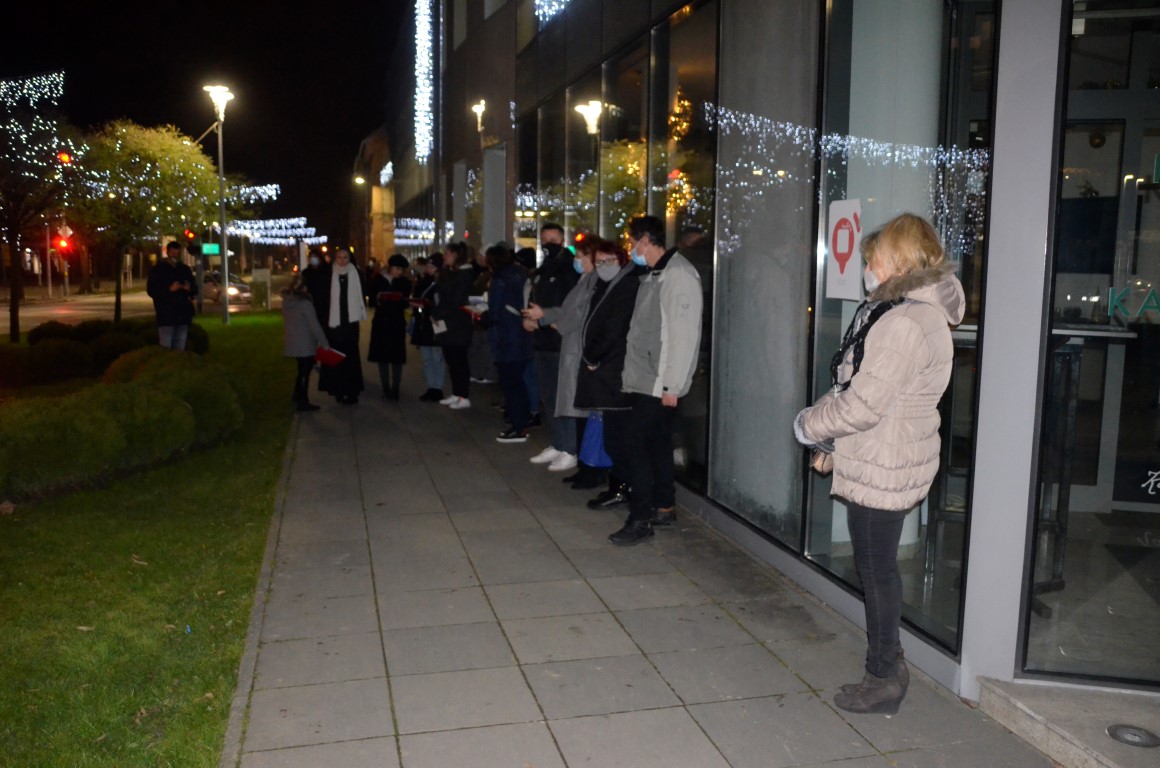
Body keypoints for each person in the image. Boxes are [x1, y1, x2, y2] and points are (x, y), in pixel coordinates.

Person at [794, 213, 965, 715]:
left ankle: (883, 676)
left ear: (899, 262)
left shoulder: (905, 322)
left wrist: (808, 426)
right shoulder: (910, 313)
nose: (867, 268)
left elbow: (863, 405)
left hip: (882, 461)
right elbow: (857, 384)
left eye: (874, 259)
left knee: (876, 572)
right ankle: (891, 660)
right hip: (886, 455)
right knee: (878, 568)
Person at [609, 215, 703, 546]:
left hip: (658, 381)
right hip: (647, 378)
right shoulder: (656, 274)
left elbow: (682, 336)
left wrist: (672, 386)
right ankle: (664, 506)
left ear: (646, 241)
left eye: (631, 241)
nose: (630, 248)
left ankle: (641, 517)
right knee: (657, 443)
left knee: (634, 444)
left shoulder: (678, 275)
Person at [574, 239, 642, 509]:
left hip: (614, 372)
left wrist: (592, 356)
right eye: (599, 262)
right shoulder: (605, 286)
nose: (603, 266)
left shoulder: (625, 286)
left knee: (618, 437)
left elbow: (614, 329)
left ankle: (623, 487)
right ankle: (618, 485)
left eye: (609, 261)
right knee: (613, 436)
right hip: (606, 370)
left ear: (621, 260)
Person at [524, 236, 597, 475]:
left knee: (566, 400)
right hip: (561, 345)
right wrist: (543, 314)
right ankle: (559, 444)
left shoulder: (591, 281)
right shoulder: (583, 279)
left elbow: (576, 317)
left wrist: (544, 321)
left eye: (581, 256)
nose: (578, 260)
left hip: (572, 348)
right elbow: (566, 310)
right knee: (552, 397)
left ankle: (569, 448)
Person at [484, 244, 534, 442]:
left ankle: (518, 426)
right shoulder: (520, 274)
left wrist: (483, 317)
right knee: (519, 382)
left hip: (506, 337)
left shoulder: (499, 279)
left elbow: (495, 311)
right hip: (521, 335)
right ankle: (522, 421)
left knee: (510, 383)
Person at [318, 248, 367, 404]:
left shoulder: (356, 273)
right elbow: (322, 299)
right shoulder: (328, 274)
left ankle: (352, 392)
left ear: (350, 258)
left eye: (345, 257)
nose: (342, 260)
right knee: (336, 357)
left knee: (351, 358)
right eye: (339, 257)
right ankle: (337, 390)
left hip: (350, 323)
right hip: (334, 323)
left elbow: (363, 292)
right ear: (335, 258)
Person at [432, 242, 476, 409]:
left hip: (457, 323)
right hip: (447, 322)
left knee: (459, 360)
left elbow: (456, 300)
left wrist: (439, 313)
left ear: (455, 255)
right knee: (451, 359)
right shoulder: (450, 273)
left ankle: (463, 395)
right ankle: (457, 393)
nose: (444, 256)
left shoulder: (464, 274)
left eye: (447, 253)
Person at [281, 276, 331, 412]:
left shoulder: (287, 302)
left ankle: (296, 396)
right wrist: (325, 343)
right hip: (305, 343)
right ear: (304, 288)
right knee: (304, 373)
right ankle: (303, 401)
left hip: (292, 341)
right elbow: (314, 325)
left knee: (301, 370)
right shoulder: (305, 304)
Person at [368, 254, 412, 400]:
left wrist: (397, 299)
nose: (399, 272)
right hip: (381, 322)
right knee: (383, 357)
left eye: (401, 270)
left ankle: (395, 388)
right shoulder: (378, 279)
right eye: (397, 269)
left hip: (396, 322)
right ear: (390, 267)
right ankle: (385, 387)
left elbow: (405, 302)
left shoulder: (404, 282)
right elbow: (371, 299)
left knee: (397, 358)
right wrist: (379, 298)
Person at [146, 240, 198, 350]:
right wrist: (169, 289)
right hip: (166, 314)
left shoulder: (184, 269)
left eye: (177, 254)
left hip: (182, 313)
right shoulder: (158, 270)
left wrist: (188, 288)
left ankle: (178, 360)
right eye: (173, 253)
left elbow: (194, 289)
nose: (175, 256)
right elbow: (152, 290)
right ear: (168, 252)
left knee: (180, 343)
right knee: (166, 344)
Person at [410, 252, 446, 401]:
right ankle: (431, 386)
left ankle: (437, 387)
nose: (429, 269)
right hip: (424, 323)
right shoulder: (423, 282)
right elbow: (418, 298)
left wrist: (428, 308)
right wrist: (418, 307)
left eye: (432, 266)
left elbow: (443, 303)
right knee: (427, 358)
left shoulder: (442, 283)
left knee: (437, 357)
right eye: (428, 266)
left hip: (436, 323)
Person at [301, 248, 331, 327]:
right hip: (311, 305)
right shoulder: (306, 273)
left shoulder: (327, 271)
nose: (313, 259)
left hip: (326, 306)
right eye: (311, 257)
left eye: (315, 256)